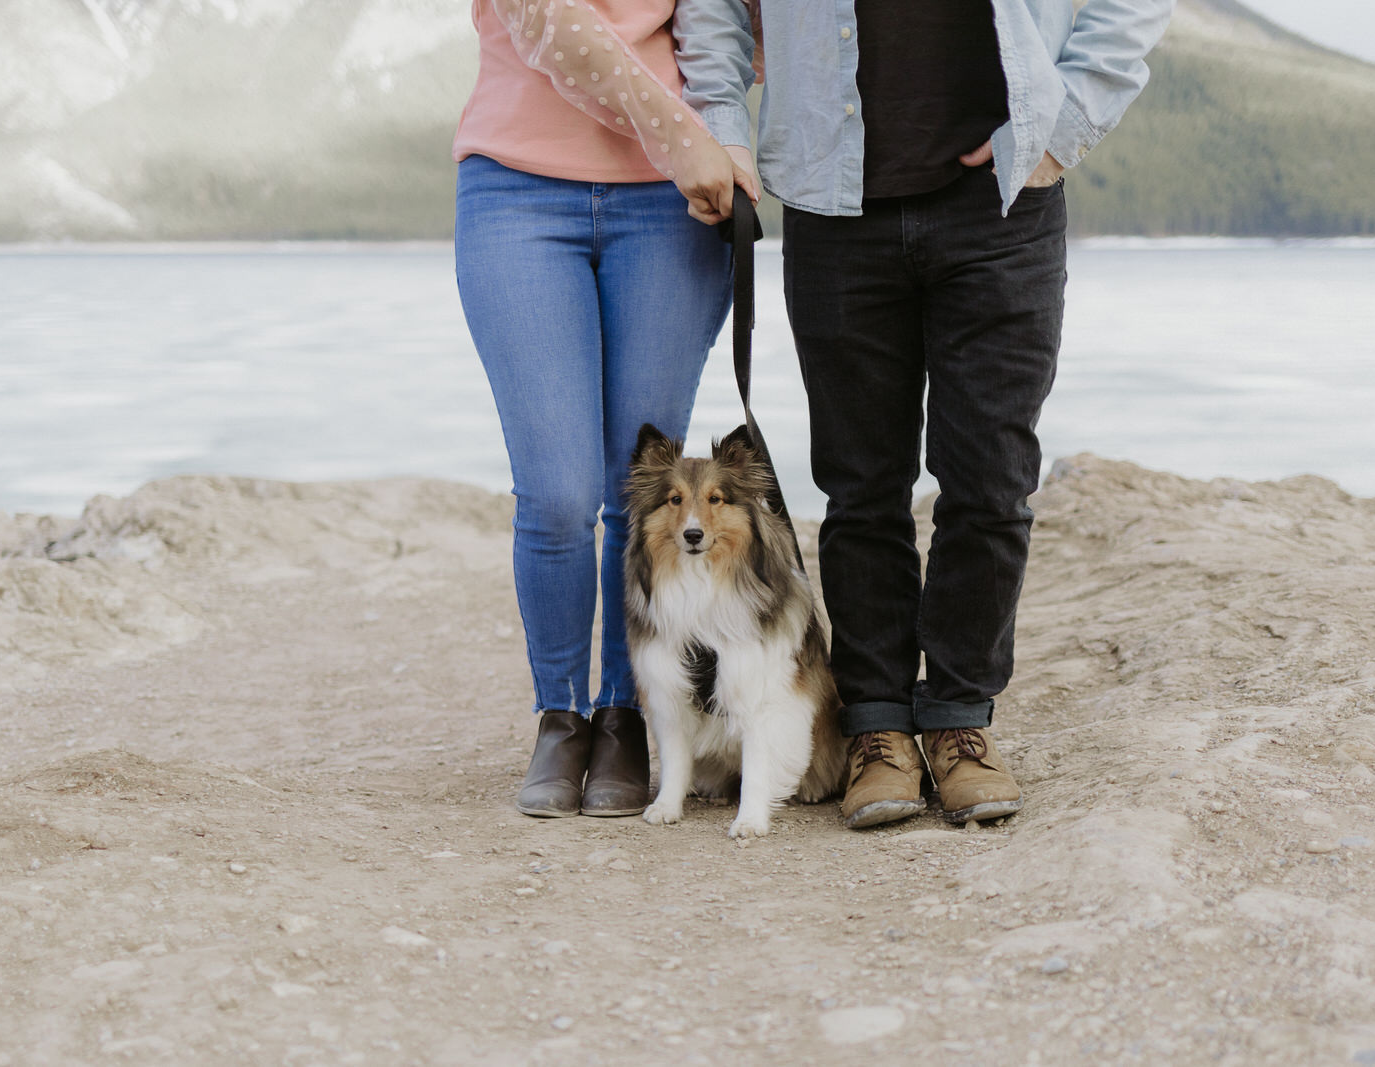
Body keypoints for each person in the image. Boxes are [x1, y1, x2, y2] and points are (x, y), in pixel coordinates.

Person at [673, 0, 1172, 827]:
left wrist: (1062, 127)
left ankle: (959, 718)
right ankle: (876, 728)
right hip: (835, 206)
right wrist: (721, 123)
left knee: (991, 477)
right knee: (860, 485)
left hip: (1003, 204)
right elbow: (714, 8)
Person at [453, 0, 758, 818]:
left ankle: (627, 716)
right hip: (517, 194)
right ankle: (561, 716)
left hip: (670, 206)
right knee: (554, 494)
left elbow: (741, 29)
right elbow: (551, 20)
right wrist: (684, 137)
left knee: (645, 492)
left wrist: (723, 138)